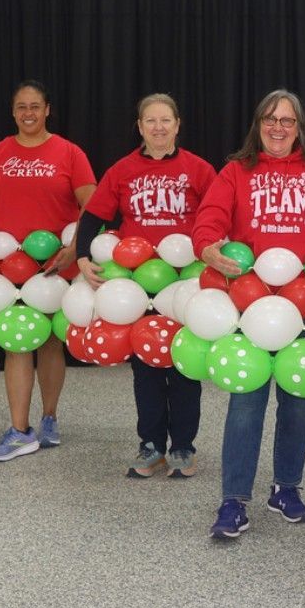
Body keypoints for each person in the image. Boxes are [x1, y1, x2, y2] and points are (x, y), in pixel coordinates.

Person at [193, 90, 305, 538]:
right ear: (258, 125)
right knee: (246, 402)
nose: (278, 127)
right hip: (250, 305)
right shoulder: (236, 171)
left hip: (304, 309)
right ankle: (233, 499)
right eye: (270, 119)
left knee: (297, 400)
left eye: (287, 121)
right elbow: (210, 216)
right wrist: (206, 245)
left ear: (298, 128)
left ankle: (286, 488)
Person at [75, 93, 217, 477]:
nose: (158, 127)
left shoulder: (199, 169)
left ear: (177, 124)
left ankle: (183, 447)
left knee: (184, 364)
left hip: (185, 282)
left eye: (165, 120)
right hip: (137, 286)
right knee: (146, 368)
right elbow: (93, 217)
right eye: (150, 120)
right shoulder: (122, 170)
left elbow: (220, 215)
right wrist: (83, 256)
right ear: (139, 126)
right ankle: (151, 445)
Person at [0, 80, 96, 461]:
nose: (28, 113)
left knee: (51, 342)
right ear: (13, 111)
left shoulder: (69, 152)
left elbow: (93, 205)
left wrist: (74, 249)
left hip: (54, 263)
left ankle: (49, 418)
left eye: (35, 106)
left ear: (47, 109)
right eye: (21, 107)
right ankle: (20, 431)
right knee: (17, 342)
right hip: (9, 265)